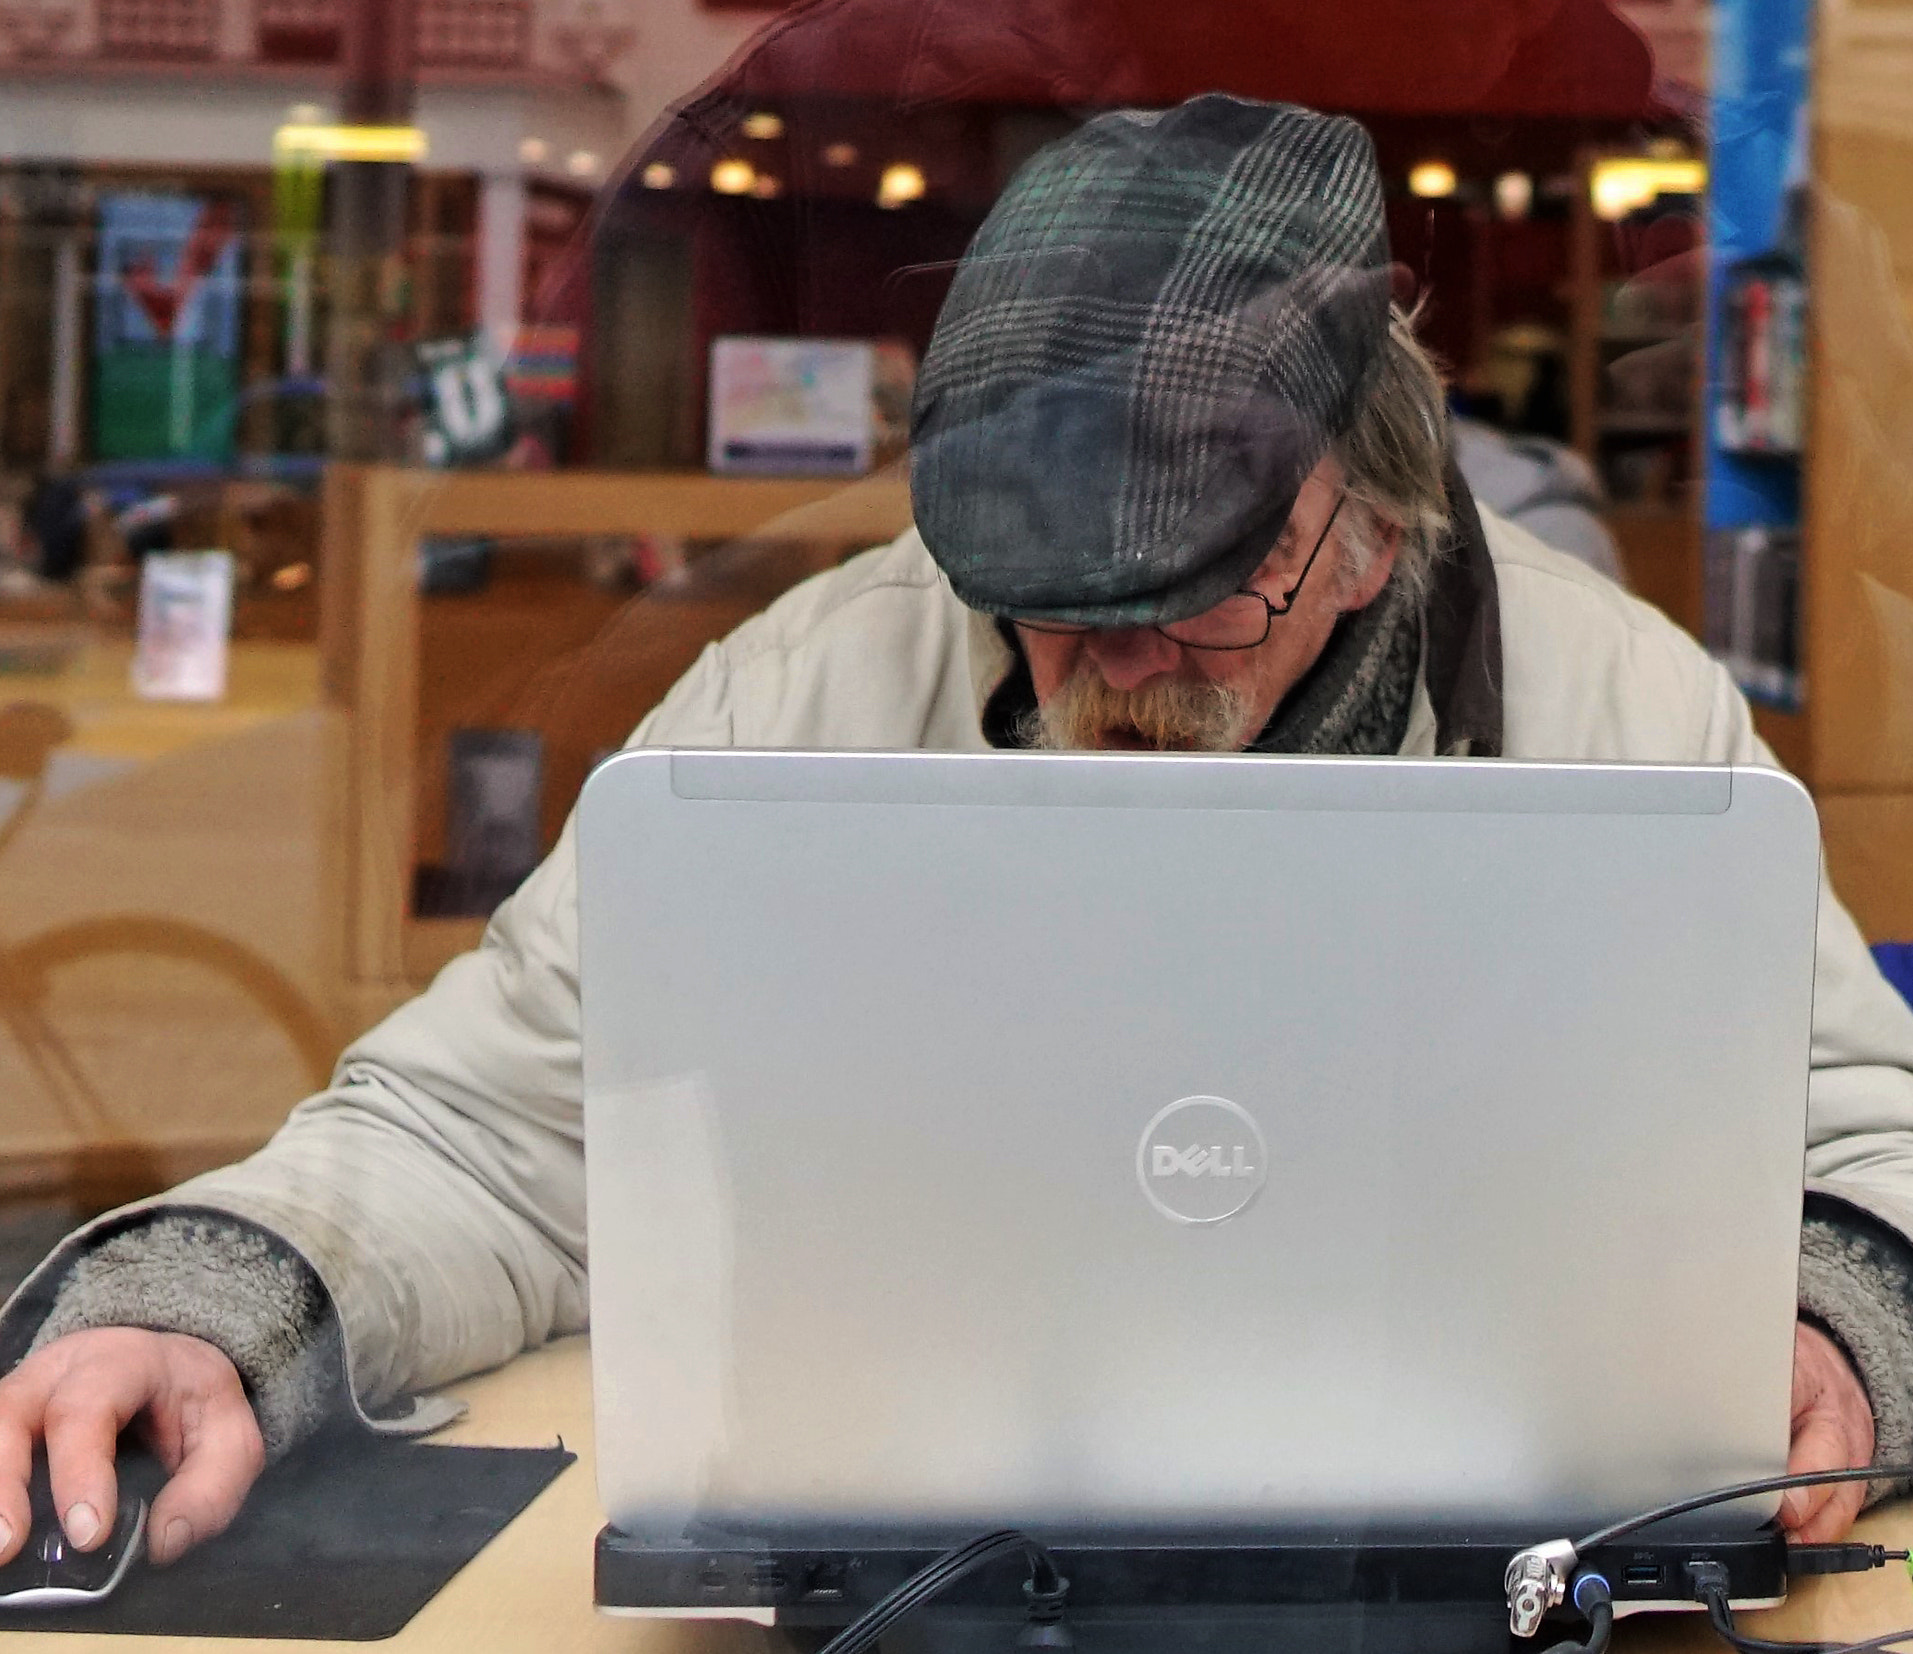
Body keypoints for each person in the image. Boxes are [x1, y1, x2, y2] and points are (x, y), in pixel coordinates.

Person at [4, 96, 1913, 1578]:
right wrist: (216, 1298)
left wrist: (1838, 1318)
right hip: (918, 1552)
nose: (1112, 663)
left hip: (1481, 1553)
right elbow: (497, 1127)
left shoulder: (1628, 713)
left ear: (1373, 503)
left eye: (1194, 594)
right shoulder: (801, 690)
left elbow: (1864, 1129)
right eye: (1042, 605)